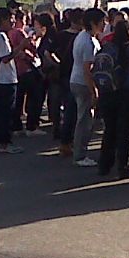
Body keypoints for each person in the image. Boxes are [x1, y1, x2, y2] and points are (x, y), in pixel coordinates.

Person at [97, 19, 129, 179]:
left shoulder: (107, 46)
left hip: (108, 92)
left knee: (110, 129)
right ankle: (124, 166)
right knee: (126, 131)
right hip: (127, 92)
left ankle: (104, 165)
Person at [0, 8, 31, 154]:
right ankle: (4, 143)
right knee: (6, 113)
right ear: (3, 20)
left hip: (2, 79)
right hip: (5, 79)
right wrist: (21, 46)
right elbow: (6, 58)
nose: (13, 22)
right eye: (11, 19)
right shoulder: (0, 37)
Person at [70, 8, 107, 167]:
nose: (104, 24)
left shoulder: (83, 37)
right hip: (83, 83)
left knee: (85, 119)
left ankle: (79, 152)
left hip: (78, 80)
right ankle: (80, 155)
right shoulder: (88, 42)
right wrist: (94, 90)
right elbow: (87, 69)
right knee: (84, 121)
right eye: (102, 21)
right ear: (93, 23)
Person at [9, 8, 42, 136]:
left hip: (16, 69)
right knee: (34, 97)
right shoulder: (19, 33)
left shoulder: (9, 33)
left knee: (18, 99)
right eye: (24, 19)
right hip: (26, 68)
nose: (25, 22)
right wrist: (37, 38)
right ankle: (31, 126)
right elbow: (31, 47)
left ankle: (16, 126)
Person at [54, 9, 82, 154]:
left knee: (69, 109)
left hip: (65, 74)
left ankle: (66, 141)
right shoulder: (82, 37)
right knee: (73, 110)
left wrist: (58, 63)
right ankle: (67, 141)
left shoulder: (60, 35)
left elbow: (48, 52)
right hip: (76, 75)